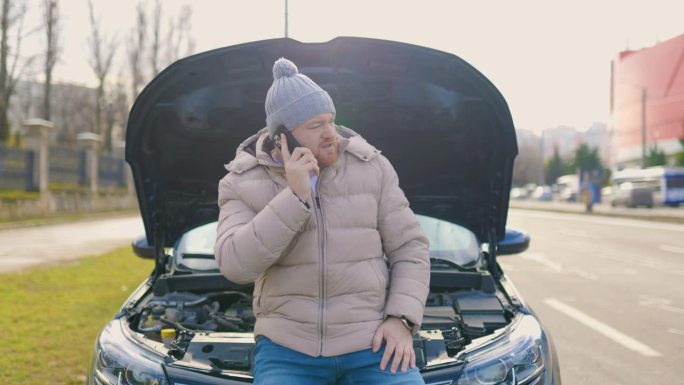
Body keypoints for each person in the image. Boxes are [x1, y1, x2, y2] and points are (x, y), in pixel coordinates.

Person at [214, 57, 430, 385]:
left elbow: (410, 248)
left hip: (371, 343)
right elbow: (234, 265)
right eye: (315, 126)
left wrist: (401, 319)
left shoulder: (372, 167)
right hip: (286, 349)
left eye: (330, 121)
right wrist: (294, 197)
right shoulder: (240, 181)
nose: (330, 134)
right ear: (282, 137)